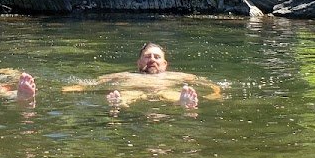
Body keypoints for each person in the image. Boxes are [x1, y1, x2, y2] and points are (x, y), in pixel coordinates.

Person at [70, 42, 220, 109]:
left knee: (172, 94)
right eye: (147, 56)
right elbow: (95, 81)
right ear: (138, 62)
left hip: (164, 90)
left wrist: (215, 93)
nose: (152, 59)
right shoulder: (125, 75)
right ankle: (120, 103)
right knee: (126, 95)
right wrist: (76, 87)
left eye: (157, 57)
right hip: (134, 90)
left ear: (165, 64)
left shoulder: (178, 76)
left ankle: (183, 102)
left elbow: (209, 83)